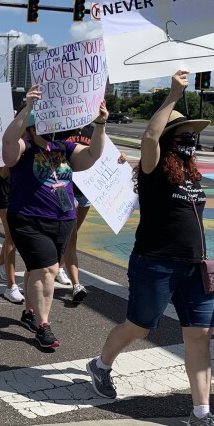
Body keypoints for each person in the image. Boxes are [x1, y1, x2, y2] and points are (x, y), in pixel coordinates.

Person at [84, 71, 214, 426]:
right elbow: (149, 137)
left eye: (192, 137)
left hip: (195, 268)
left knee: (200, 337)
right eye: (183, 136)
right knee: (139, 327)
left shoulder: (190, 173)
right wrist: (173, 95)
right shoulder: (152, 169)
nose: (190, 141)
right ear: (170, 140)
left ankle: (200, 415)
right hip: (155, 263)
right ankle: (101, 365)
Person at [1, 85, 105, 351]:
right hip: (28, 219)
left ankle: (29, 313)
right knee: (47, 270)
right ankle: (43, 325)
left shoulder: (64, 148)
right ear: (32, 128)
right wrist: (28, 108)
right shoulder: (22, 148)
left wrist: (101, 125)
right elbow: (8, 143)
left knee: (38, 270)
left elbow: (92, 156)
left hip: (63, 219)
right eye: (41, 126)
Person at [56, 124, 129, 302]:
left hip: (90, 191)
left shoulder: (93, 130)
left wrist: (120, 158)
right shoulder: (63, 129)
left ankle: (57, 267)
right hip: (68, 189)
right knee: (71, 237)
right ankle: (76, 284)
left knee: (71, 235)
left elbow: (105, 152)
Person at [0, 165, 25, 304]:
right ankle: (11, 287)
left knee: (11, 236)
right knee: (12, 237)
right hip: (6, 195)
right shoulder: (6, 147)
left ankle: (0, 262)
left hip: (22, 195)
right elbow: (3, 173)